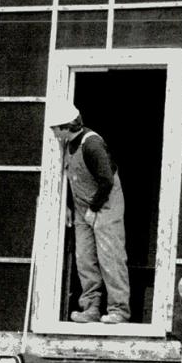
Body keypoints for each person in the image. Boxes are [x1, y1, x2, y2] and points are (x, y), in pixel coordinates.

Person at [46, 98, 130, 324]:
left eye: (55, 128)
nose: (53, 132)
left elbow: (106, 181)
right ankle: (91, 308)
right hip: (83, 209)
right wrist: (68, 207)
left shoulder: (91, 144)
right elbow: (73, 180)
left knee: (110, 258)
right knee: (85, 259)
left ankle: (119, 310)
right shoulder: (67, 145)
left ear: (66, 126)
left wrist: (93, 209)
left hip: (105, 206)